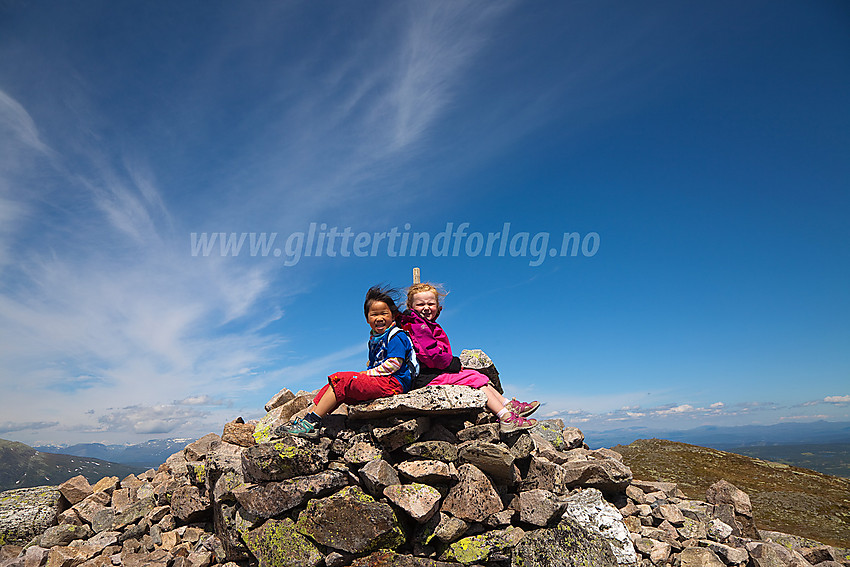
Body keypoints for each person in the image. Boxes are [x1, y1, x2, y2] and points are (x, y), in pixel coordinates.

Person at [399, 282, 540, 433]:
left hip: (434, 372)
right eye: (420, 304)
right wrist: (450, 363)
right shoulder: (418, 326)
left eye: (431, 303)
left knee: (476, 375)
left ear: (437, 306)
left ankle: (508, 405)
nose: (426, 307)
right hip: (427, 377)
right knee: (474, 379)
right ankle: (506, 417)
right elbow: (430, 354)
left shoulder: (424, 324)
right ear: (411, 306)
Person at [283, 285, 416, 438]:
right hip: (383, 382)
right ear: (367, 319)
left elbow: (394, 364)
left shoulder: (396, 336)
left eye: (384, 313)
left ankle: (311, 423)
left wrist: (367, 373)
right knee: (332, 385)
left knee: (342, 380)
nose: (379, 318)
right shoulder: (375, 338)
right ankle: (309, 417)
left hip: (394, 383)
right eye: (374, 314)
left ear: (393, 316)